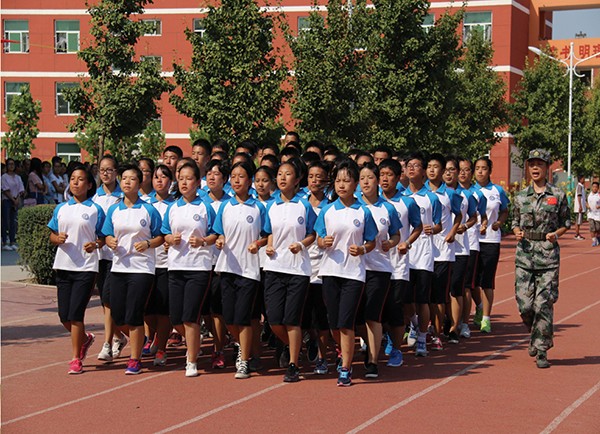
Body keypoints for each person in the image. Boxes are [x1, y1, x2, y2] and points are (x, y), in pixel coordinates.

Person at [314, 159, 377, 386]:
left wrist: (362, 249)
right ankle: (343, 350)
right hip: (330, 271)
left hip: (354, 273)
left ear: (355, 184)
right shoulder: (327, 210)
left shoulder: (363, 212)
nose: (342, 185)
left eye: (347, 181)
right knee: (334, 323)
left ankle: (345, 368)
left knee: (346, 322)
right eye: (338, 181)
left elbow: (371, 241)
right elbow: (319, 238)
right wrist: (323, 242)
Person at [103, 164, 164, 375]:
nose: (127, 182)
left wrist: (147, 244)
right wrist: (109, 240)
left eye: (132, 179)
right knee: (118, 316)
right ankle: (140, 339)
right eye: (124, 178)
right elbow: (106, 234)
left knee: (134, 313)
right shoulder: (114, 210)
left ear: (139, 183)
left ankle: (134, 359)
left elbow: (160, 237)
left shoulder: (149, 210)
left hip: (142, 268)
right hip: (119, 267)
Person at [511, 149, 570, 369]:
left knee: (543, 304)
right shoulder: (520, 196)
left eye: (540, 164)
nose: (535, 168)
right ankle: (536, 333)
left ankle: (542, 349)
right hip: (525, 255)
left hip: (548, 256)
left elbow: (566, 222)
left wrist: (556, 234)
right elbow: (514, 222)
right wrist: (516, 231)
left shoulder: (558, 195)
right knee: (525, 306)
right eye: (532, 164)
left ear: (547, 168)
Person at [47, 164, 105, 374]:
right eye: (72, 179)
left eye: (80, 179)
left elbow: (103, 237)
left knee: (76, 315)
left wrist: (95, 244)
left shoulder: (95, 210)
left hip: (86, 267)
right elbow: (52, 234)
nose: (75, 183)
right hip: (63, 265)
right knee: (64, 317)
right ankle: (85, 338)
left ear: (89, 185)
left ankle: (75, 358)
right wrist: (57, 239)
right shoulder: (61, 208)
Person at [263, 158, 317, 382]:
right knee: (274, 320)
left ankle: (293, 364)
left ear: (297, 180)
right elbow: (269, 231)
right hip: (274, 267)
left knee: (292, 319)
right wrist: (268, 245)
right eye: (280, 174)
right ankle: (295, 346)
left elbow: (313, 233)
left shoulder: (304, 205)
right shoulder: (271, 206)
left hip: (298, 270)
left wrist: (301, 245)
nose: (282, 178)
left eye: (287, 174)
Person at [213, 160, 268, 379]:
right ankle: (241, 346)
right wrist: (220, 239)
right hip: (227, 267)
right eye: (233, 177)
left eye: (241, 176)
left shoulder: (258, 208)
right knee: (230, 318)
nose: (237, 181)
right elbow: (219, 232)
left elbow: (267, 235)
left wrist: (259, 244)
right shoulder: (225, 206)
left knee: (244, 317)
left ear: (250, 181)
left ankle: (244, 361)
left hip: (249, 270)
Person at [162, 162, 217, 377]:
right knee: (176, 318)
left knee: (190, 316)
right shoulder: (173, 207)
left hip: (198, 267)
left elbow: (215, 234)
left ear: (197, 182)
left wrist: (202, 241)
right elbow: (164, 233)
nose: (184, 182)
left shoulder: (205, 207)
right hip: (175, 266)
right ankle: (195, 341)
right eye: (181, 178)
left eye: (189, 178)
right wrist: (170, 239)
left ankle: (191, 360)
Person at [356, 162, 401, 378]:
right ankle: (371, 344)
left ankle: (373, 361)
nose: (366, 182)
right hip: (353, 269)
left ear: (377, 181)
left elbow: (396, 234)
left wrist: (391, 243)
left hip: (379, 268)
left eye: (370, 178)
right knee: (355, 318)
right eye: (362, 178)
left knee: (372, 315)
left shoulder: (387, 208)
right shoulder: (352, 206)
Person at [93, 155, 126, 362]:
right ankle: (117, 337)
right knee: (106, 302)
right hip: (101, 256)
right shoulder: (94, 198)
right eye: (102, 170)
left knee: (110, 300)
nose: (105, 173)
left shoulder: (123, 196)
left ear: (116, 172)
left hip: (119, 257)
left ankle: (108, 342)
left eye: (109, 170)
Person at [474, 156, 509, 333]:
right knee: (471, 282)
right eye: (477, 168)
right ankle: (479, 306)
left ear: (490, 171)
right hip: (471, 242)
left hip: (490, 240)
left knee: (487, 281)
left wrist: (499, 222)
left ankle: (486, 318)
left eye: (484, 168)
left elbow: (505, 210)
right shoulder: (469, 190)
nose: (480, 171)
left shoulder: (497, 190)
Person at [146, 164, 174, 367]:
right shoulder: (145, 204)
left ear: (170, 182)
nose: (159, 180)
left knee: (163, 309)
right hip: (144, 264)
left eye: (164, 177)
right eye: (156, 177)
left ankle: (162, 347)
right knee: (146, 310)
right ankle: (155, 335)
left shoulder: (176, 205)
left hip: (167, 264)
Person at [1, 159, 25, 250]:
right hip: (7, 200)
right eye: (10, 164)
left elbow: (21, 189)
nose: (11, 166)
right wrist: (12, 199)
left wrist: (17, 199)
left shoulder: (18, 177)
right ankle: (4, 242)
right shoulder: (4, 177)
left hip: (16, 199)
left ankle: (12, 242)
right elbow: (5, 189)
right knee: (5, 221)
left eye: (13, 164)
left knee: (13, 222)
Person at [573, 175, 586, 240]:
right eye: (583, 178)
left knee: (579, 221)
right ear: (580, 179)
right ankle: (577, 234)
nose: (584, 180)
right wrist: (580, 206)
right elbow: (579, 196)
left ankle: (578, 234)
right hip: (579, 207)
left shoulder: (581, 186)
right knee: (578, 221)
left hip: (580, 207)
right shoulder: (579, 186)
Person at [587, 182, 600, 246]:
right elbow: (586, 202)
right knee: (592, 228)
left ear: (598, 188)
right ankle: (594, 241)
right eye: (593, 187)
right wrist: (587, 206)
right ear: (592, 187)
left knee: (598, 228)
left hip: (598, 214)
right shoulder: (589, 195)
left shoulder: (599, 195)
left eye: (596, 187)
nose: (594, 188)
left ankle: (598, 238)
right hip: (591, 214)